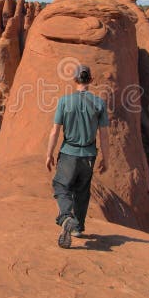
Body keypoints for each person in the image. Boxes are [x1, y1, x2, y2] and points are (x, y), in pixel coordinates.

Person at [45, 64, 110, 248]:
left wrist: (49, 154)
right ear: (90, 80)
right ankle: (77, 227)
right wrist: (106, 158)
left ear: (75, 80)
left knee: (61, 185)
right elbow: (104, 134)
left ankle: (66, 217)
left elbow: (55, 131)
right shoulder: (99, 103)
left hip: (68, 153)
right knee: (82, 191)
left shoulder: (65, 102)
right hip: (89, 155)